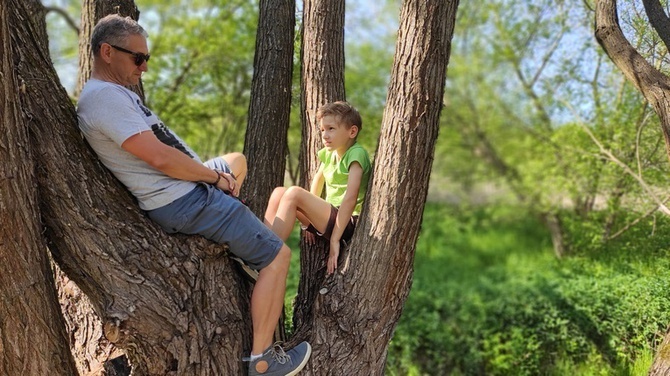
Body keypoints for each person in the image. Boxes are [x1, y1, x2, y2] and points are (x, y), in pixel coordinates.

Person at [76, 14, 310, 376]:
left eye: (147, 59)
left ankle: (247, 247)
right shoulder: (104, 97)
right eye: (138, 58)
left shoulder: (114, 93)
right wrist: (213, 179)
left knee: (237, 161)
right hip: (183, 198)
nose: (145, 68)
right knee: (279, 256)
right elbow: (160, 157)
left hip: (187, 186)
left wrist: (216, 173)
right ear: (107, 51)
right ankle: (263, 361)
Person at [264, 101, 372, 275]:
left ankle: (264, 256)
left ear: (352, 131)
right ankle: (258, 244)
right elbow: (318, 180)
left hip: (347, 223)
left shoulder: (356, 154)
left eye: (331, 129)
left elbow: (351, 198)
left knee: (293, 193)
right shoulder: (330, 153)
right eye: (322, 130)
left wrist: (335, 240)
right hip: (328, 217)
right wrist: (309, 218)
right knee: (279, 193)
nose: (325, 135)